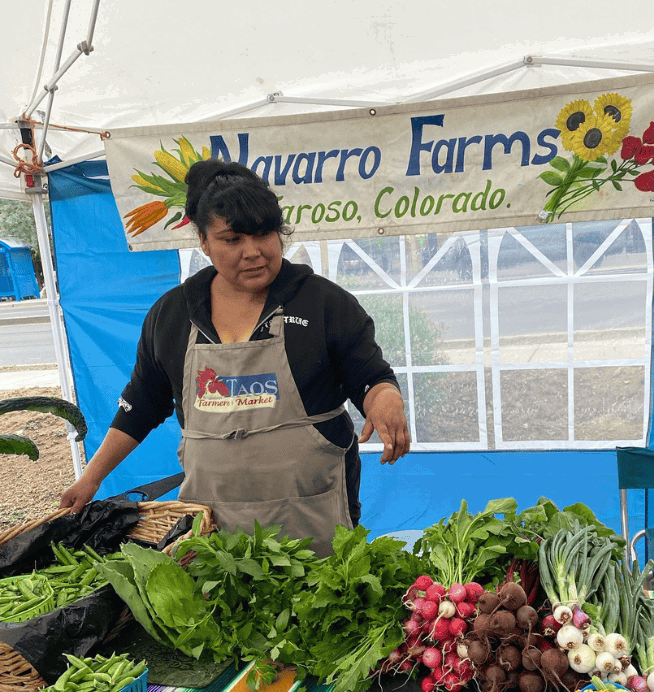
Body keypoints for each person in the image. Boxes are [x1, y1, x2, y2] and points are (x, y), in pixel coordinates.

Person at [60, 160, 410, 556]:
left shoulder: (323, 303)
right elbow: (141, 403)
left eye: (265, 235)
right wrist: (91, 479)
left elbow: (369, 375)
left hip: (313, 518)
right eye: (233, 239)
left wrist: (384, 399)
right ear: (204, 241)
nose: (254, 253)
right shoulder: (174, 314)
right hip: (212, 530)